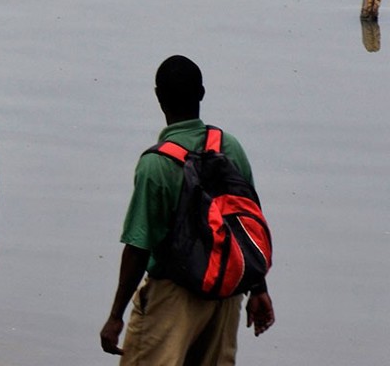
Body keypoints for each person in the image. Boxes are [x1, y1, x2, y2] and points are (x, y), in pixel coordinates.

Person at [99, 55, 274, 364]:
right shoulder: (230, 147)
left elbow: (138, 247)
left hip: (173, 295)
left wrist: (115, 316)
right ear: (202, 93)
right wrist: (258, 288)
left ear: (159, 97)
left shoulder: (156, 164)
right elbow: (248, 225)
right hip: (225, 295)